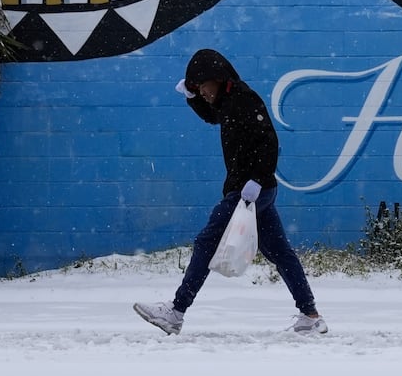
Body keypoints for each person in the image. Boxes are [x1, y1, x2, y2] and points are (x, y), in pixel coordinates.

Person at [133, 48, 327, 336]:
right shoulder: (228, 101)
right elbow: (213, 115)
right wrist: (192, 99)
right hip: (257, 192)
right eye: (198, 89)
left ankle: (175, 312)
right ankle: (311, 316)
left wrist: (258, 179)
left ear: (217, 78)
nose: (203, 93)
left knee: (207, 241)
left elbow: (269, 141)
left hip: (250, 191)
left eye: (203, 88)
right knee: (280, 252)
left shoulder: (244, 100)